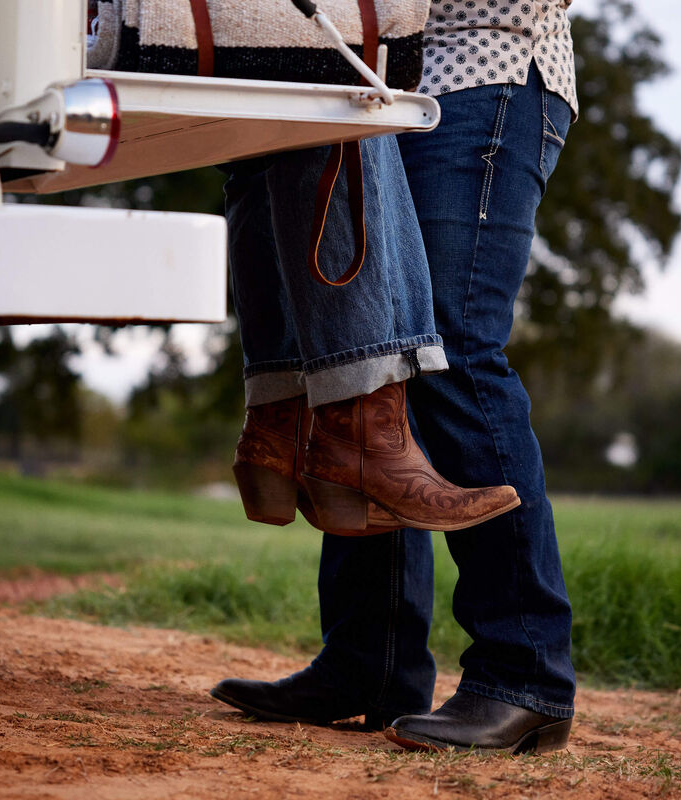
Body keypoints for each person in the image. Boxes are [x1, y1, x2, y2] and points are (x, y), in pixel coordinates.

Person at [213, 0, 579, 754]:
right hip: (366, 74)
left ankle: (525, 675)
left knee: (455, 347)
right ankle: (369, 663)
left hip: (483, 64)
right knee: (371, 352)